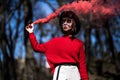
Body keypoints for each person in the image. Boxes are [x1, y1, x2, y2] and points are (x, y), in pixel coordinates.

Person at [26, 11, 89, 80]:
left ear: (74, 23)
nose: (65, 23)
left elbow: (82, 66)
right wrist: (31, 32)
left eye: (68, 21)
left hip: (75, 73)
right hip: (61, 72)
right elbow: (36, 47)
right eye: (63, 21)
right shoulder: (55, 42)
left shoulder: (79, 44)